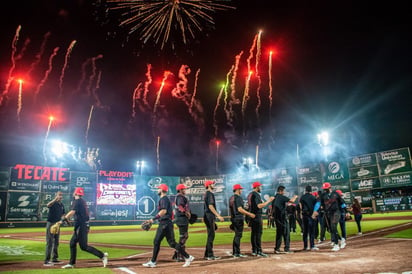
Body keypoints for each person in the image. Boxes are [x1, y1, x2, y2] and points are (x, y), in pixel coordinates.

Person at [143, 184, 194, 268]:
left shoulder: (164, 199)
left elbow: (163, 211)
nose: (157, 190)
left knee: (156, 241)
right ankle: (188, 257)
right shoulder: (165, 199)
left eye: (158, 189)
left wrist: (152, 219)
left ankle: (153, 261)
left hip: (164, 223)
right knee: (172, 243)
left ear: (162, 190)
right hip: (167, 224)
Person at [61, 187, 108, 269]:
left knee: (83, 246)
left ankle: (102, 255)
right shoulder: (82, 201)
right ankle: (72, 263)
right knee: (76, 244)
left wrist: (63, 220)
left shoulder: (77, 201)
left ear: (75, 193)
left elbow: (72, 212)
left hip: (81, 226)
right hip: (82, 225)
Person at [312, 183, 349, 252]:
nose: (325, 190)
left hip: (336, 212)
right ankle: (341, 239)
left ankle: (336, 244)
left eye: (326, 189)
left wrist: (346, 212)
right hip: (328, 213)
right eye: (324, 189)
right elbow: (318, 203)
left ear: (330, 188)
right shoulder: (323, 195)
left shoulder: (335, 194)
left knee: (333, 226)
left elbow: (342, 203)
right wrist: (315, 211)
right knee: (331, 229)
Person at [247, 181, 274, 257]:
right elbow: (259, 206)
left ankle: (254, 250)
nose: (261, 187)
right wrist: (269, 200)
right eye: (260, 186)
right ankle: (259, 251)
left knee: (254, 234)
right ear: (257, 187)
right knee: (258, 234)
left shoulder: (251, 194)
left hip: (253, 216)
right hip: (257, 216)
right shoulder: (255, 195)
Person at [229, 184, 255, 258]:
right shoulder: (238, 198)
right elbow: (240, 209)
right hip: (238, 218)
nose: (241, 190)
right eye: (240, 189)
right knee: (238, 235)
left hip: (234, 218)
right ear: (237, 190)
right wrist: (249, 214)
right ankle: (237, 252)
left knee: (237, 235)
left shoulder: (231, 198)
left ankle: (235, 252)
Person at [272, 185, 298, 254]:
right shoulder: (281, 197)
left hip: (277, 218)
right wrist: (295, 197)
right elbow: (291, 201)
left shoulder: (274, 197)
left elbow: (273, 208)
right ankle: (287, 248)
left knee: (279, 233)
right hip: (282, 217)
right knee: (286, 233)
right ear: (281, 191)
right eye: (284, 191)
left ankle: (277, 248)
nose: (284, 192)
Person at [203, 180, 224, 260]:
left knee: (210, 235)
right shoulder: (210, 194)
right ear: (208, 185)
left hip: (207, 216)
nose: (213, 184)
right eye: (212, 183)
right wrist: (218, 216)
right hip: (209, 216)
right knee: (211, 235)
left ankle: (207, 254)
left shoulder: (206, 194)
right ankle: (209, 255)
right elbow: (210, 206)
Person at [44, 191, 65, 266]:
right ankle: (46, 261)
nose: (61, 196)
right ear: (56, 195)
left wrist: (66, 221)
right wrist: (55, 199)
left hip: (57, 224)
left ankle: (54, 258)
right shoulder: (53, 203)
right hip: (51, 223)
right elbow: (48, 205)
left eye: (61, 195)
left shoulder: (61, 205)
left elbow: (63, 215)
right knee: (49, 242)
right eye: (59, 195)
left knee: (56, 242)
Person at [172, 183, 192, 262]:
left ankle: (177, 254)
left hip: (180, 218)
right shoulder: (180, 197)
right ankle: (179, 255)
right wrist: (186, 212)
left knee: (183, 236)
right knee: (184, 236)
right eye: (184, 189)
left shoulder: (179, 196)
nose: (185, 190)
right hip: (181, 218)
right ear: (180, 190)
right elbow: (180, 206)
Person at [299, 186, 318, 251]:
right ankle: (312, 246)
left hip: (304, 215)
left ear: (305, 190)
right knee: (311, 231)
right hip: (311, 215)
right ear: (311, 190)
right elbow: (315, 206)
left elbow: (301, 206)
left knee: (305, 231)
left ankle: (305, 246)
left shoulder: (302, 197)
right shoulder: (313, 197)